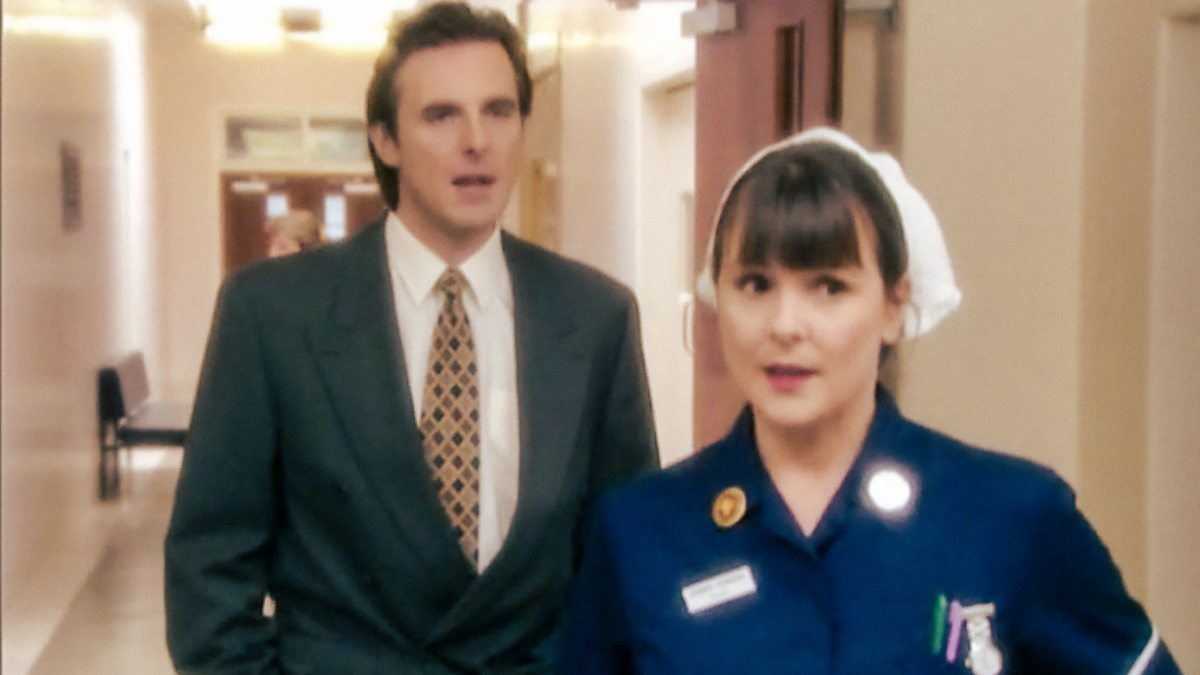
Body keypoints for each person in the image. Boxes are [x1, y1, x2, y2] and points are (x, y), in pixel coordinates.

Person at [559, 127, 1181, 674]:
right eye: (755, 284)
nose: (785, 325)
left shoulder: (1010, 518)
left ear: (893, 305)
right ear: (715, 296)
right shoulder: (642, 534)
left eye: (828, 287)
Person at [165, 3, 658, 673]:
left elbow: (626, 561)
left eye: (499, 111)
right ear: (386, 140)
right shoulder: (274, 315)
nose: (477, 140)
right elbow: (210, 567)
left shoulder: (594, 317)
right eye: (441, 115)